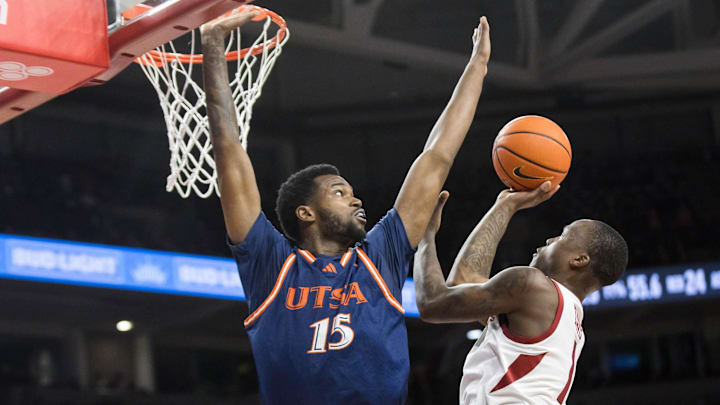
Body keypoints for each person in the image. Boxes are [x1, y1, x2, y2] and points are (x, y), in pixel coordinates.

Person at [201, 9, 492, 404]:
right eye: (339, 192)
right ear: (306, 213)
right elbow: (228, 150)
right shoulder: (270, 263)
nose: (355, 199)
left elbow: (436, 156)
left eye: (352, 192)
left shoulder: (381, 254)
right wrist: (213, 46)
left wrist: (477, 69)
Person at [414, 184, 628, 404]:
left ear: (579, 260)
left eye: (562, 237)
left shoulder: (533, 287)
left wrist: (425, 238)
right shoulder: (564, 318)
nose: (549, 240)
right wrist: (505, 205)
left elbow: (431, 303)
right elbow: (464, 284)